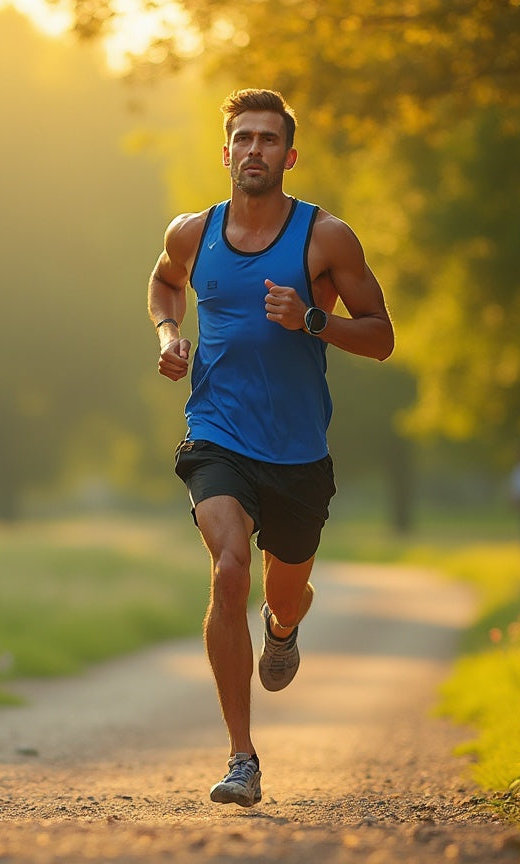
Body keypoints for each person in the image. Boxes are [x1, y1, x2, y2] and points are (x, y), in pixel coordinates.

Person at [148, 89, 395, 807]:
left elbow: (380, 335)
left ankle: (283, 627)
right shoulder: (193, 233)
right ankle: (241, 757)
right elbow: (165, 286)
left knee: (283, 592)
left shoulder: (326, 238)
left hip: (296, 455)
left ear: (289, 155)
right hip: (216, 434)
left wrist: (314, 319)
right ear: (225, 153)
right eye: (242, 139)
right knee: (229, 569)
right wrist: (168, 336)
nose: (253, 150)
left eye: (267, 140)